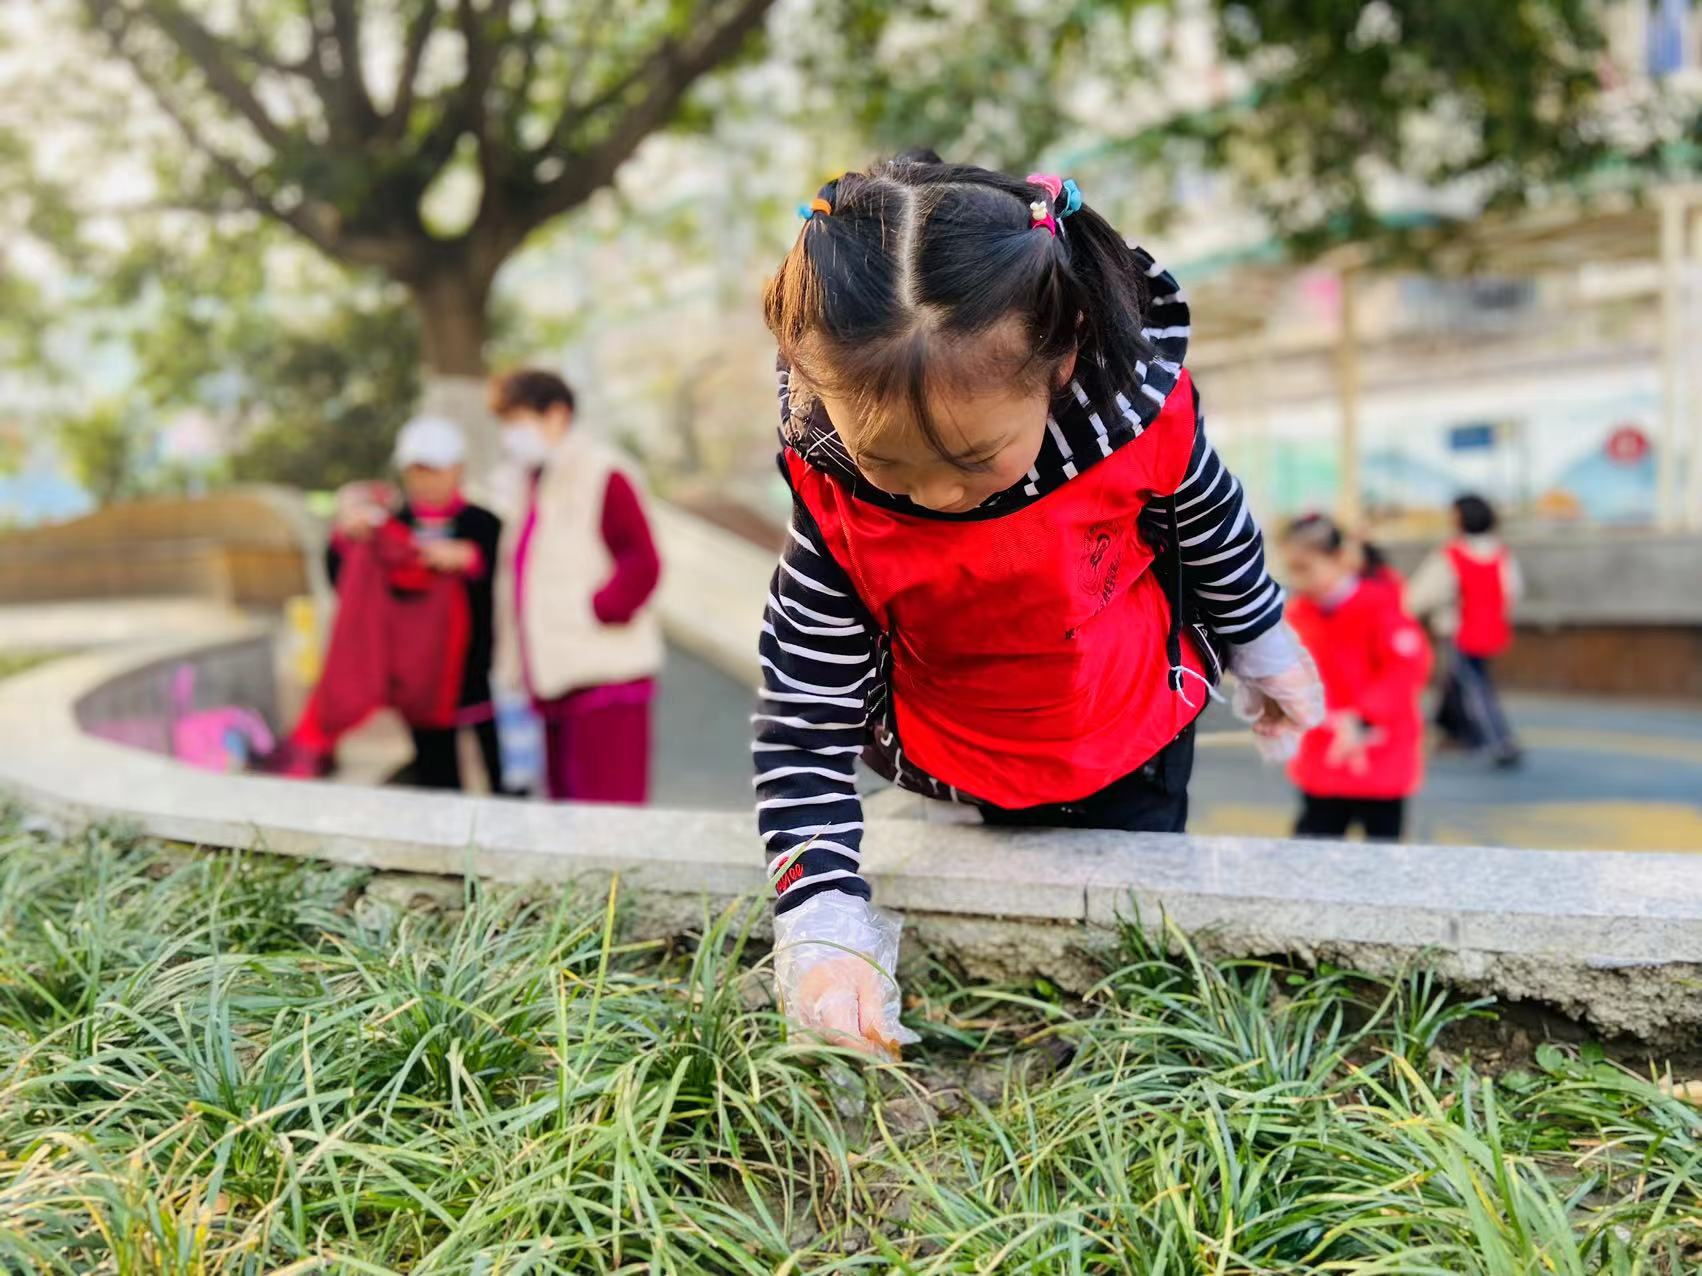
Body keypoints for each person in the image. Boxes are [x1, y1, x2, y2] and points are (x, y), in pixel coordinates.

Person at [754, 158, 1324, 1054]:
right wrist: (821, 918)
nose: (936, 496)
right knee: (995, 956)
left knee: (1134, 947)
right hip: (952, 757)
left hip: (1131, 727)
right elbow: (804, 718)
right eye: (888, 463)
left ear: (1061, 361)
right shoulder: (836, 505)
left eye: (974, 460)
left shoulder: (1129, 424)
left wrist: (1263, 642)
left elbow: (1212, 524)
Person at [489, 368, 663, 804]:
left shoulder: (603, 472)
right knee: (568, 815)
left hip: (604, 677)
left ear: (557, 414)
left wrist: (598, 610)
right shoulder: (534, 480)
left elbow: (642, 561)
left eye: (518, 421)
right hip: (554, 678)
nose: (510, 435)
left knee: (608, 814)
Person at [323, 416, 504, 791]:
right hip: (420, 678)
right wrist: (345, 540)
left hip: (481, 670)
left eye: (434, 470)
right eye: (416, 471)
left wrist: (472, 560)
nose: (425, 481)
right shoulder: (391, 526)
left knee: (502, 772)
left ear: (458, 468)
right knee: (436, 778)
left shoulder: (485, 525)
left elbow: (514, 583)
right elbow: (349, 584)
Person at [1280, 514, 1432, 841]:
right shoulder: (1300, 613)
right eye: (1291, 569)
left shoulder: (1381, 604)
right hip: (1324, 753)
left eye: (1305, 568)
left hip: (1377, 753)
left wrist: (1364, 717)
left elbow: (1404, 669)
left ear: (1340, 558)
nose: (1298, 579)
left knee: (1381, 854)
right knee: (1312, 849)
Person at [1406, 493, 1523, 767]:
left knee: (1473, 686)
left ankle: (1500, 741)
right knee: (1458, 680)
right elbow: (1513, 590)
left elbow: (1423, 593)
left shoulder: (1451, 555)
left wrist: (1404, 610)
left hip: (1459, 631)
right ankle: (1451, 731)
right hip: (1490, 628)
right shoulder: (1501, 554)